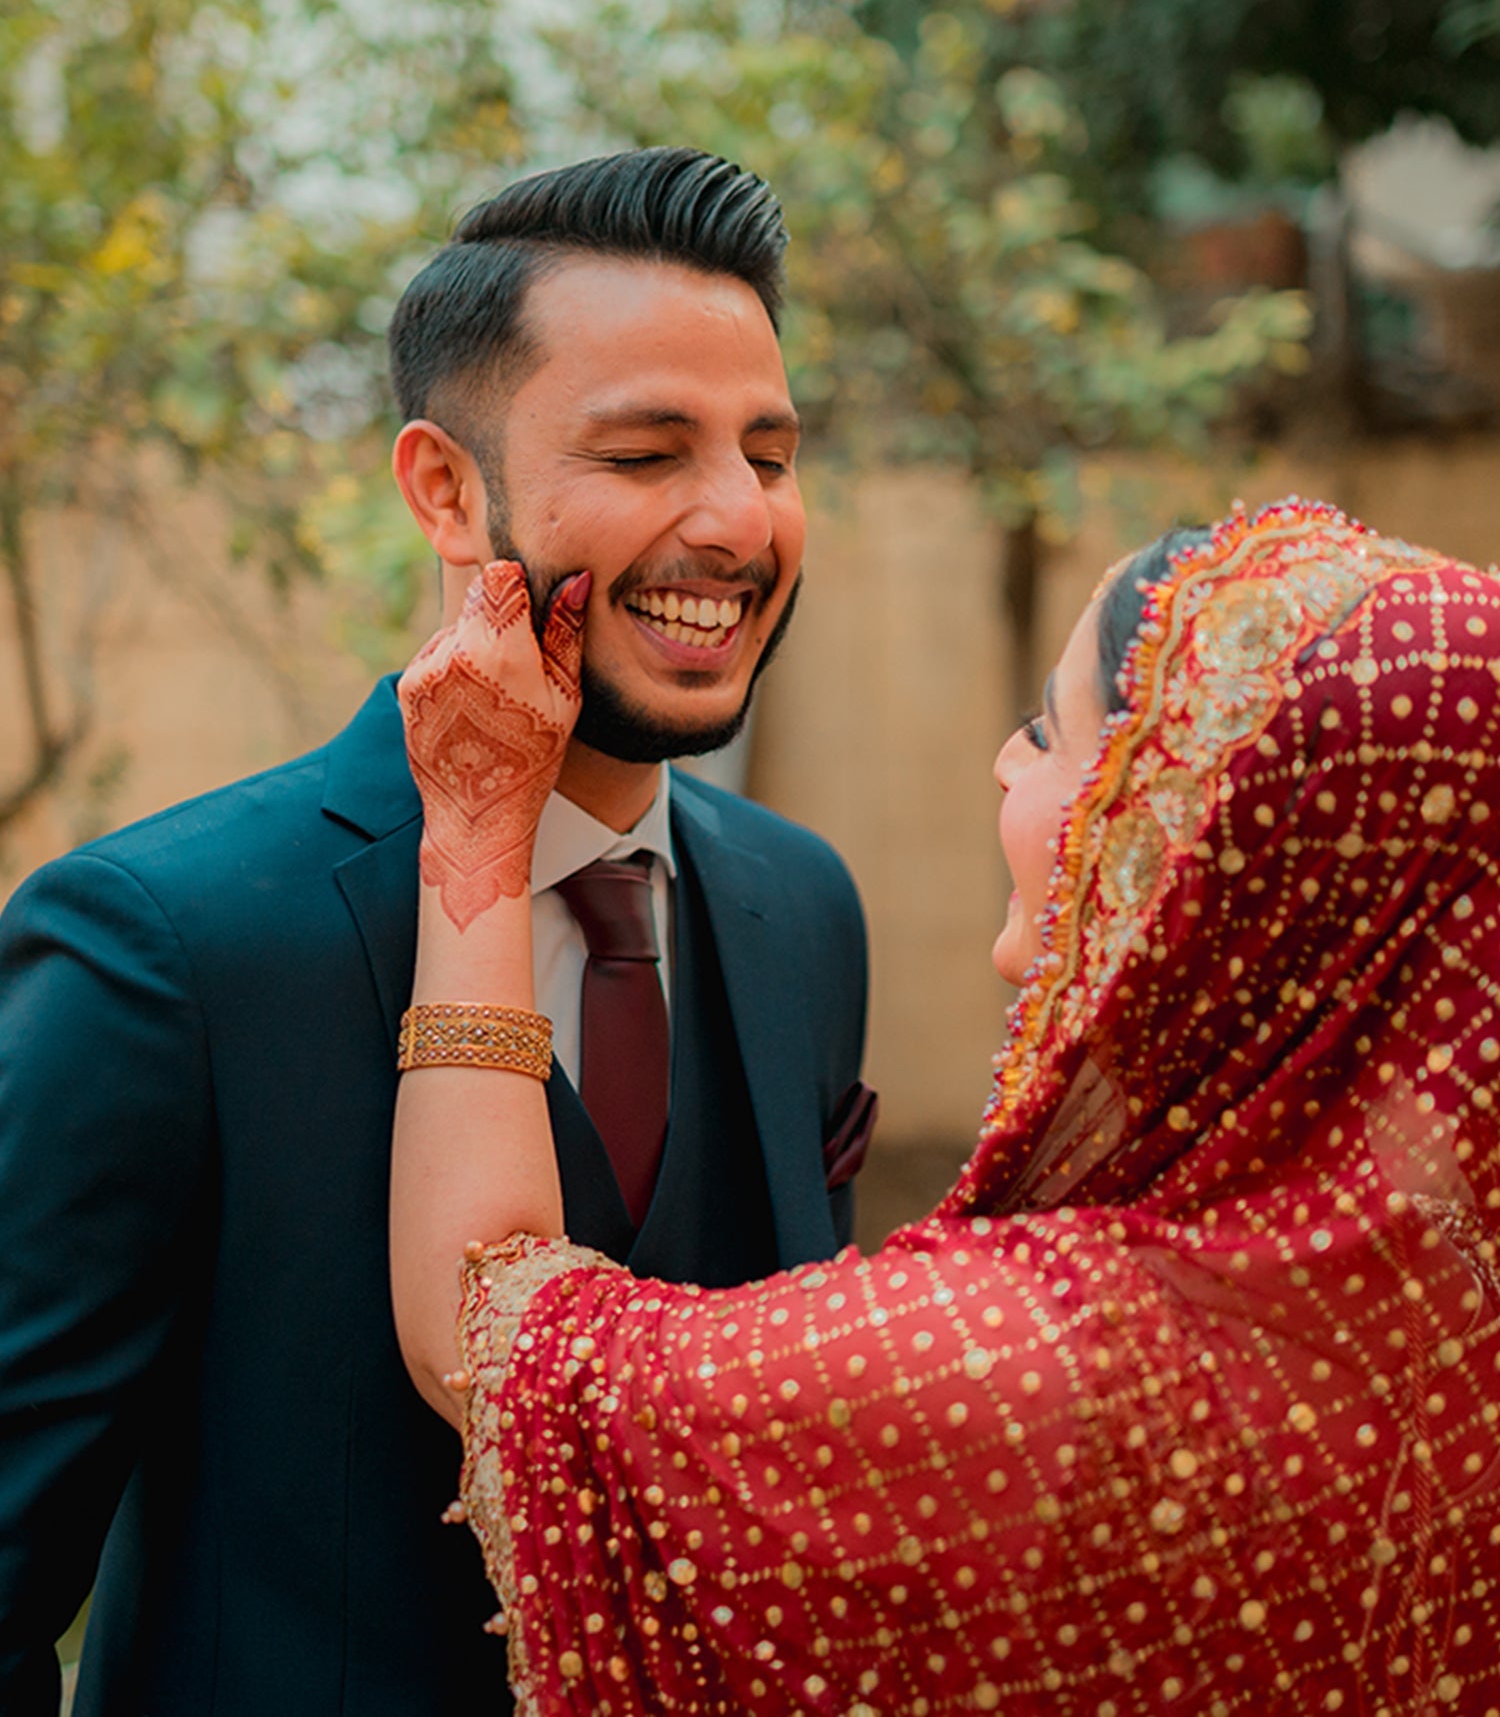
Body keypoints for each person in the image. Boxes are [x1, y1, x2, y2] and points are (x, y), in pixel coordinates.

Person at [0, 149, 872, 1716]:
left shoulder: (801, 905)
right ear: (445, 489)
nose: (739, 520)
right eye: (649, 450)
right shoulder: (161, 943)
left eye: (771, 451)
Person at [390, 497, 1500, 1714]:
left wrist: (480, 837)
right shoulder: (1447, 1333)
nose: (1004, 760)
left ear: (1179, 853)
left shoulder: (1034, 1371)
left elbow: (497, 1329)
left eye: (1049, 732)